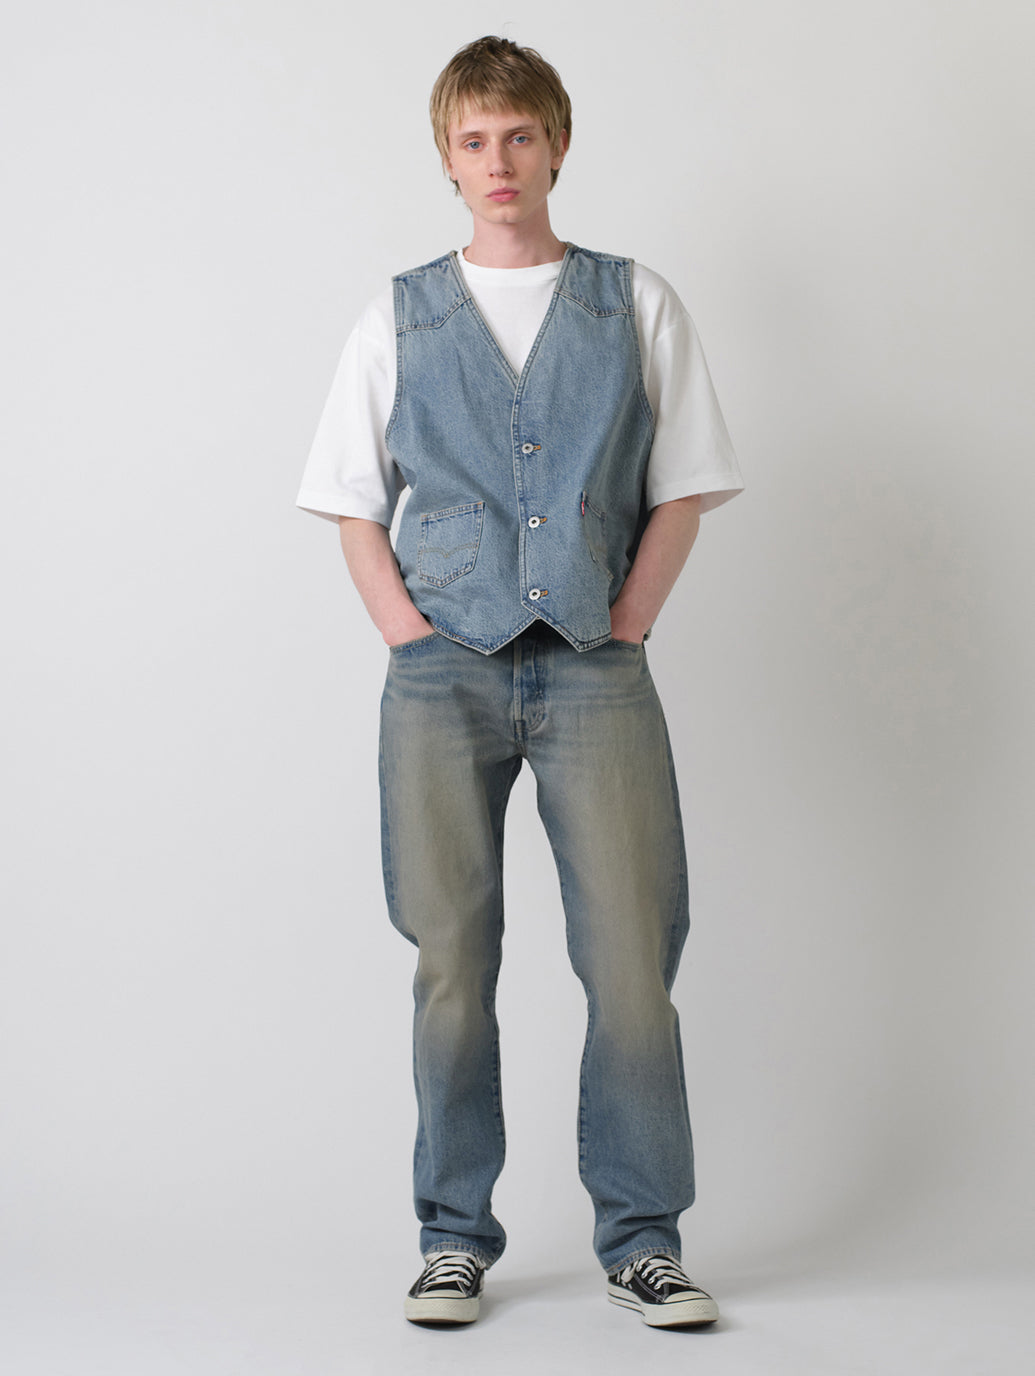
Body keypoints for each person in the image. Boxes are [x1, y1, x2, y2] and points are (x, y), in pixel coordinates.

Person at [296, 35, 744, 1329]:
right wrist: (407, 637)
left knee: (634, 957)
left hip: (596, 670)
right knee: (450, 959)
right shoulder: (399, 314)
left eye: (521, 136)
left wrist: (630, 620)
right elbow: (351, 501)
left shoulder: (631, 302)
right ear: (448, 159)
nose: (500, 161)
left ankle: (644, 1240)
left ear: (557, 144)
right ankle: (452, 1237)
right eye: (475, 140)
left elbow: (685, 484)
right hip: (441, 677)